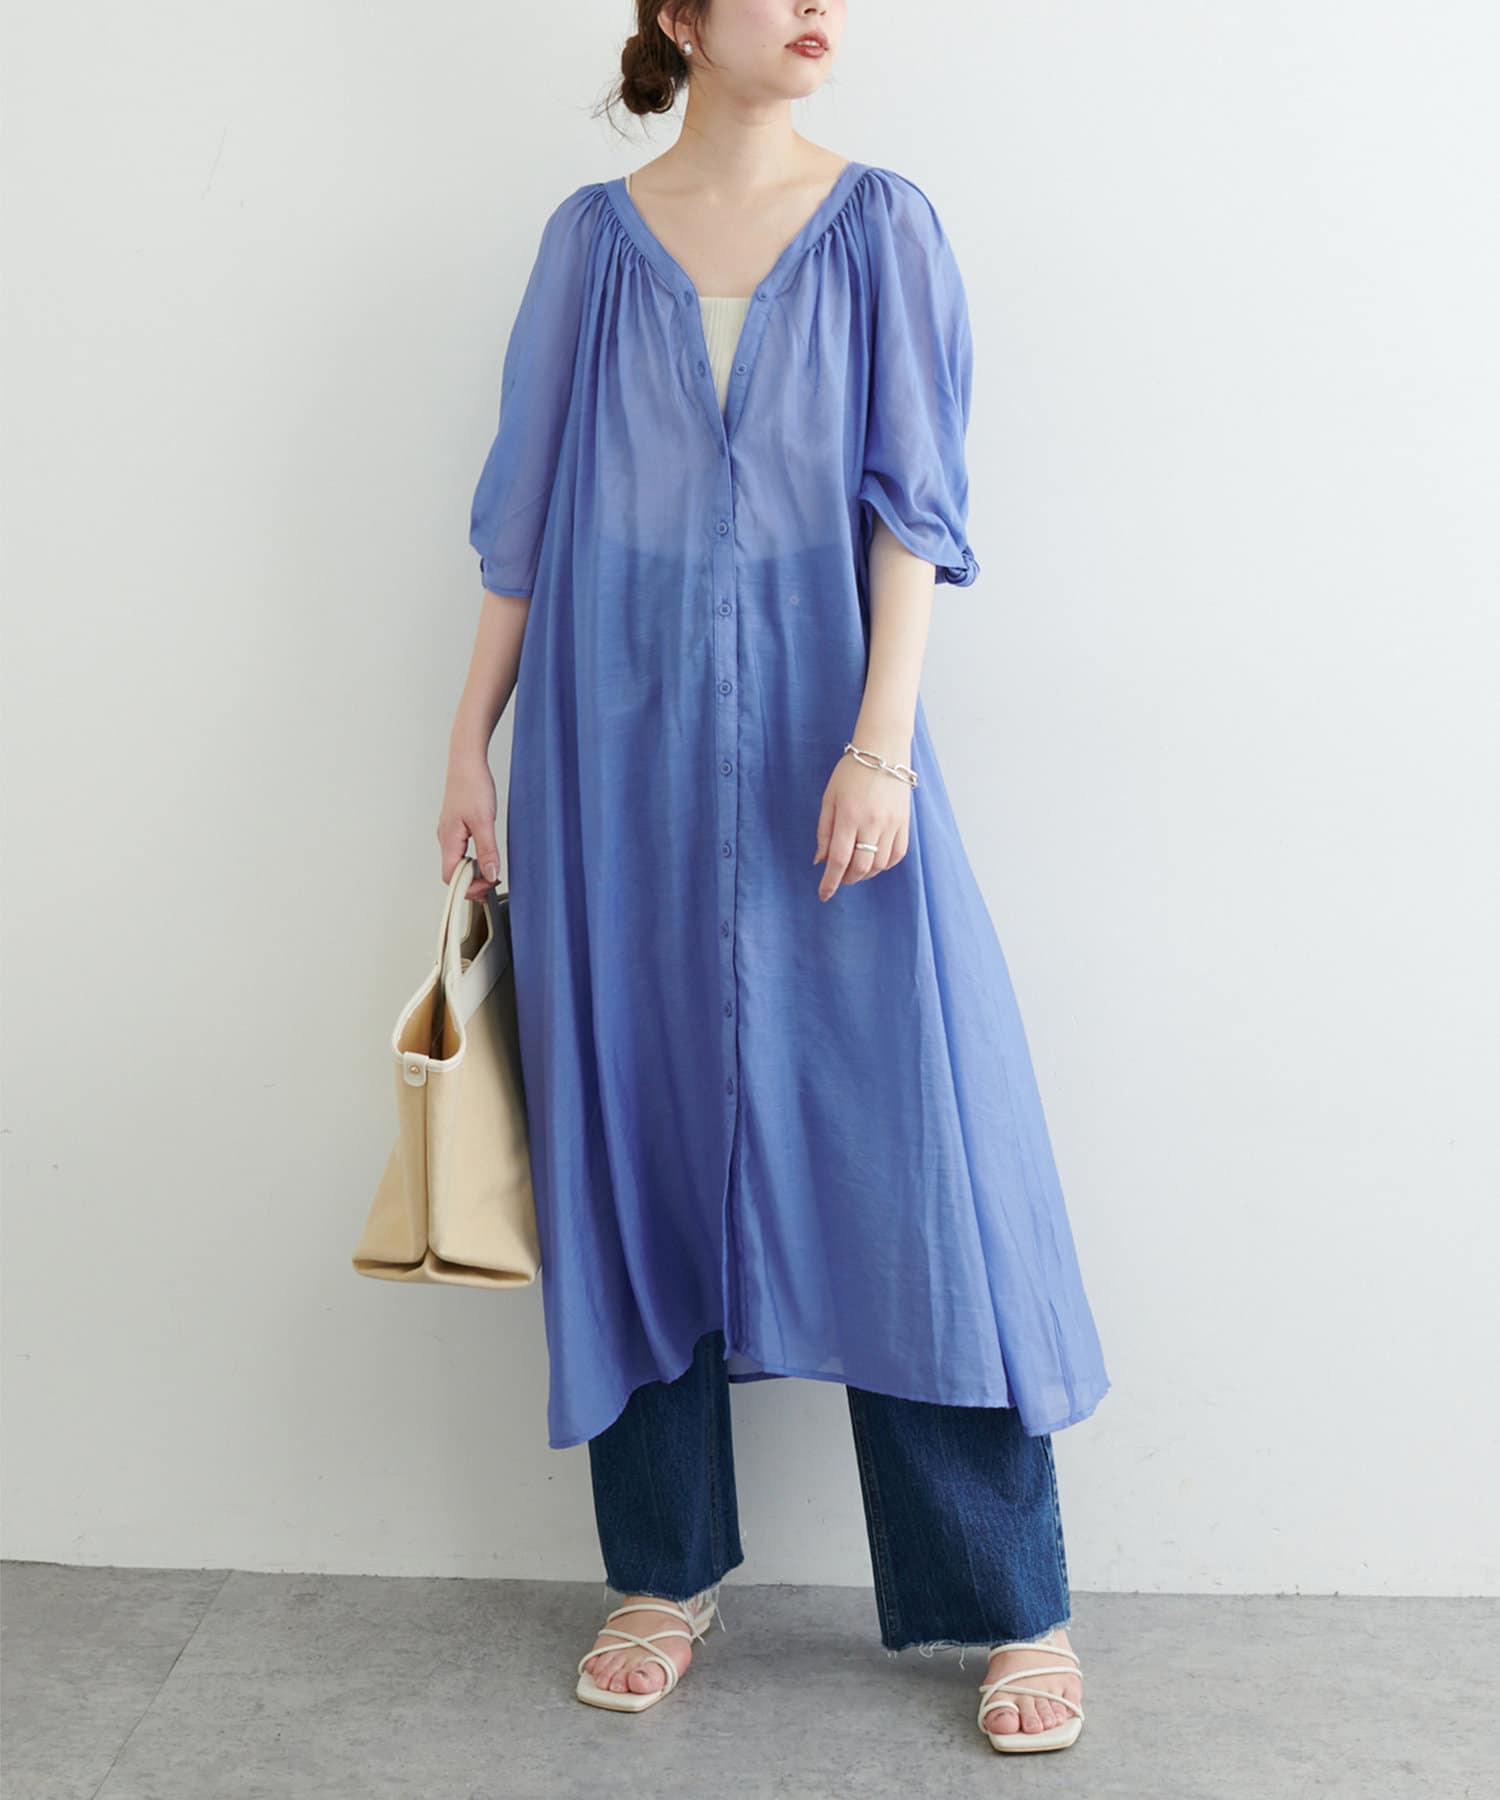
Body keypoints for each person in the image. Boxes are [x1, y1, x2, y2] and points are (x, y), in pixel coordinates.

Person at [438, 1, 1109, 1755]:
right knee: (632, 1132)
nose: (817, 4)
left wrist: (882, 744)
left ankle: (1011, 1597)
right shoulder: (592, 244)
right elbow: (524, 510)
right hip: (611, 739)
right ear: (678, 15)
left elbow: (914, 506)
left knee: (907, 1148)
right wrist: (468, 742)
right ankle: (662, 1574)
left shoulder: (883, 224)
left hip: (830, 734)